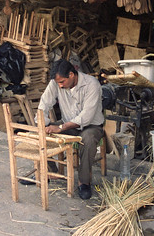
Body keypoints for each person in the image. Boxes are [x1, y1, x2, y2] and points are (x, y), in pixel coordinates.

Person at [35, 59, 104, 200]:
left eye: (62, 82)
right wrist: (42, 124)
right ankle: (50, 172)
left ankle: (84, 182)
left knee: (88, 139)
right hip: (67, 123)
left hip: (91, 126)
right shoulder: (56, 82)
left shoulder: (92, 84)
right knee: (42, 133)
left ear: (72, 75)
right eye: (58, 83)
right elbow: (44, 103)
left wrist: (61, 128)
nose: (60, 86)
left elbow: (86, 117)